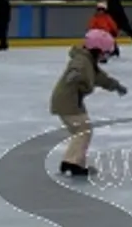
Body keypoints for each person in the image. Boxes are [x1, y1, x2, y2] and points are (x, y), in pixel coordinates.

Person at [49, 28, 127, 178]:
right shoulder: (82, 61)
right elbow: (76, 68)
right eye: (105, 52)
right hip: (68, 101)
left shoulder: (89, 61)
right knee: (83, 131)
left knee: (82, 131)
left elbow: (100, 78)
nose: (105, 56)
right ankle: (73, 164)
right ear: (97, 49)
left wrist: (115, 85)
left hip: (71, 99)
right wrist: (74, 75)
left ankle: (70, 162)